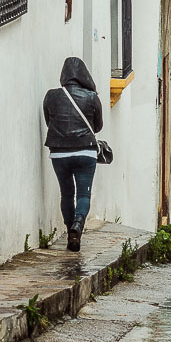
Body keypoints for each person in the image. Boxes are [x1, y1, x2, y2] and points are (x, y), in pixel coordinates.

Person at [43, 57, 104, 252]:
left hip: (59, 153)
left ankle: (70, 230)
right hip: (86, 151)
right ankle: (78, 224)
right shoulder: (91, 97)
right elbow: (98, 126)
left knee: (66, 193)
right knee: (83, 194)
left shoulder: (51, 96)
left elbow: (48, 122)